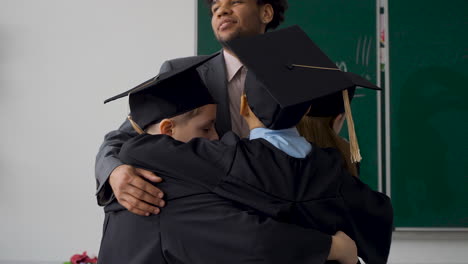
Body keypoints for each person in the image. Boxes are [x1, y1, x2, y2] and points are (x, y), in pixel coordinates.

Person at [116, 26, 393, 264]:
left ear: (244, 104)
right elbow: (378, 219)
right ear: (306, 106)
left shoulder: (229, 158)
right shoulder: (331, 169)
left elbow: (137, 149)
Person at [95, 0, 289, 217]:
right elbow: (119, 138)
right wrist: (114, 171)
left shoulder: (299, 72)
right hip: (208, 221)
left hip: (286, 216)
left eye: (235, 1)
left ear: (266, 12)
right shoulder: (184, 74)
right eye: (215, 7)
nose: (221, 10)